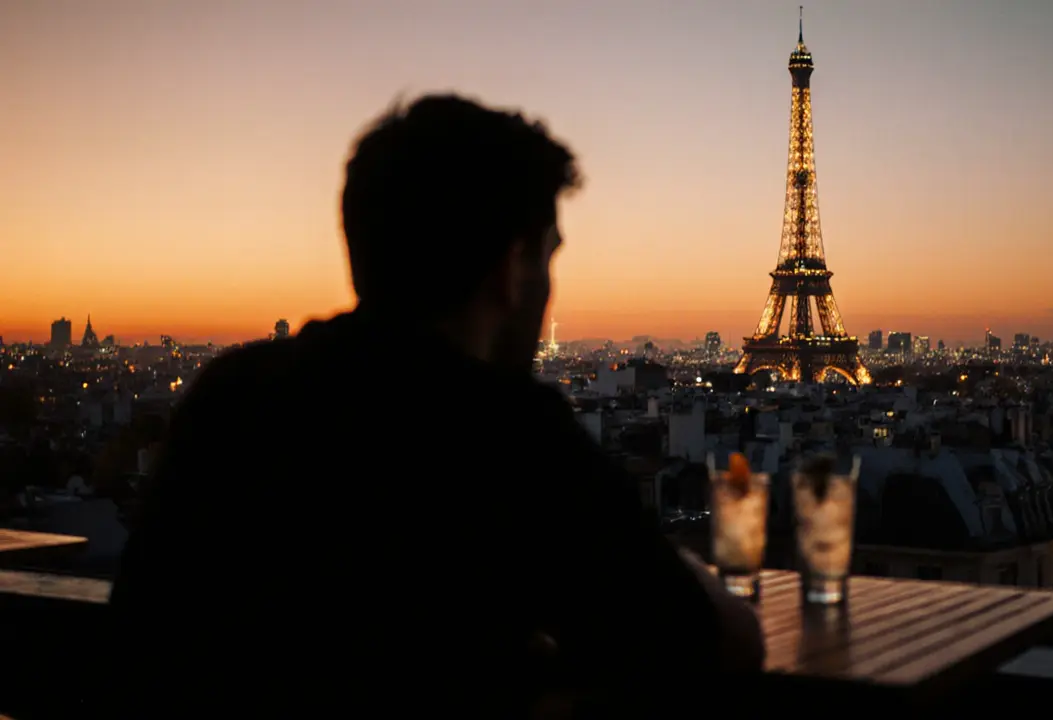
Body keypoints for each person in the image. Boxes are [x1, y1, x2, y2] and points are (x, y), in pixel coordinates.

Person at [109, 94, 764, 716]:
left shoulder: (233, 392)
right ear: (513, 268)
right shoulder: (503, 433)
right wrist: (678, 562)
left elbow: (142, 634)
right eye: (546, 258)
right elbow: (723, 644)